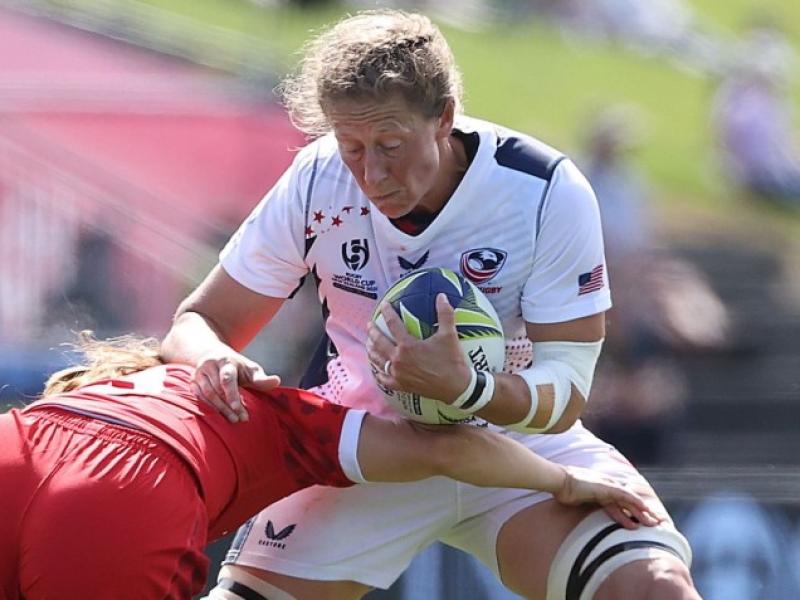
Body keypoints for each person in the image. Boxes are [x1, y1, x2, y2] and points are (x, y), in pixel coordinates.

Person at [161, 10, 700, 599]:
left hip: (517, 443)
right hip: (365, 445)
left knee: (654, 586)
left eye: (390, 144)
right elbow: (199, 322)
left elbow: (568, 393)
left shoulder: (543, 190)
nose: (370, 173)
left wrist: (470, 389)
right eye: (351, 146)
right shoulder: (316, 180)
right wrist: (212, 358)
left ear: (444, 117)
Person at [0, 332, 657, 599]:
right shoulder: (286, 411)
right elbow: (448, 448)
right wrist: (564, 478)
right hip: (126, 489)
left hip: (18, 444)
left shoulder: (100, 386)